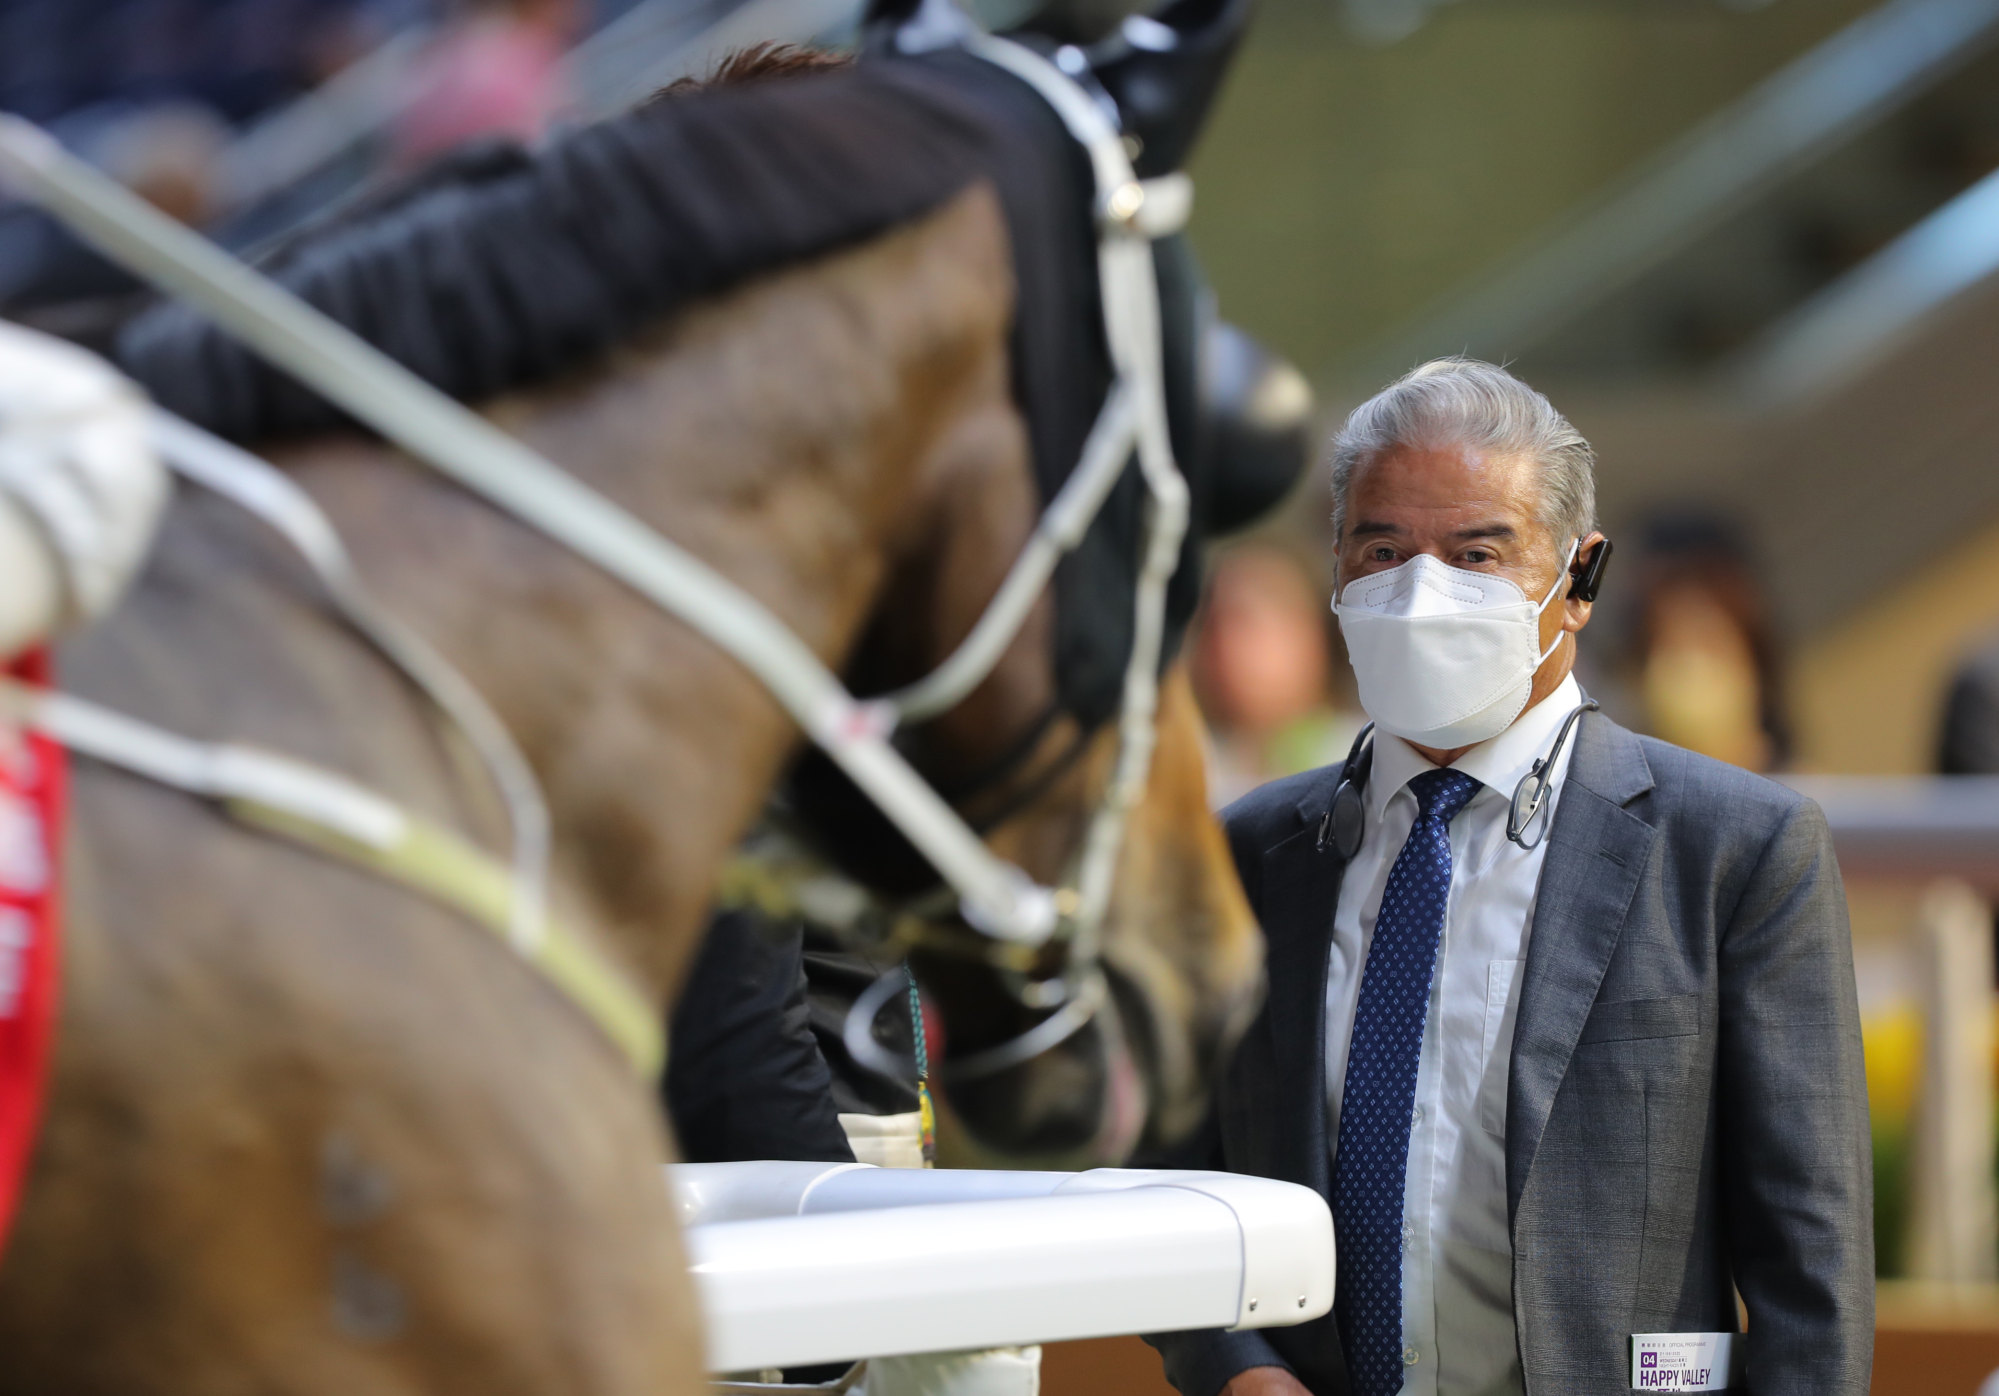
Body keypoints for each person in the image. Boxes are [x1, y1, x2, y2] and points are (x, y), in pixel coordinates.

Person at [1144, 358, 1871, 1396]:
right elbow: (1178, 1183)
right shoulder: (1249, 854)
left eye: (1476, 552)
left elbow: (1813, 1278)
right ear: (1336, 569)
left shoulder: (1735, 853)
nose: (1420, 589)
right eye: (1381, 548)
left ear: (1579, 580)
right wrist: (1237, 1372)